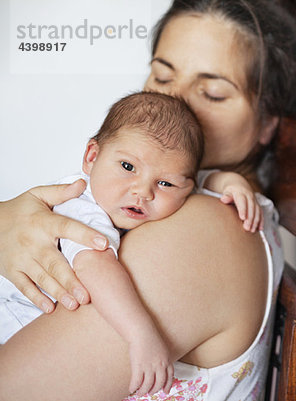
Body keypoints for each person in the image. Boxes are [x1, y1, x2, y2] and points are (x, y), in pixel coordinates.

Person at [0, 0, 296, 399]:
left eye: (213, 93)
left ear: (268, 122)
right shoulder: (184, 198)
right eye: (163, 77)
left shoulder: (206, 230)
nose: (177, 103)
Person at [0, 91, 264, 397]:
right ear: (91, 157)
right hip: (14, 315)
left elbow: (192, 179)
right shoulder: (81, 206)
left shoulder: (166, 196)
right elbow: (95, 267)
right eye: (128, 167)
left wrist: (229, 183)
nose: (142, 191)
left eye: (163, 183)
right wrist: (141, 334)